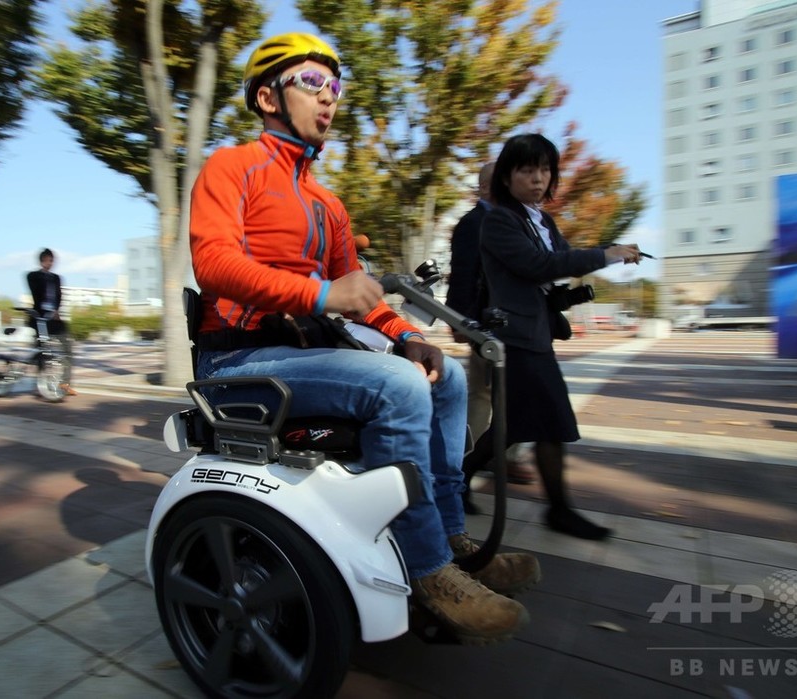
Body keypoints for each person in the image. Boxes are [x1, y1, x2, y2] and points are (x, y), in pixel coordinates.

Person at [189, 32, 540, 644]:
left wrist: (407, 336)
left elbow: (363, 297)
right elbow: (213, 266)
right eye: (312, 83)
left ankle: (450, 539)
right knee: (399, 387)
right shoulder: (232, 166)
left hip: (303, 352)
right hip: (238, 358)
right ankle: (430, 572)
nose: (330, 99)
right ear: (269, 96)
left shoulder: (328, 203)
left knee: (446, 375)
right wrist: (323, 296)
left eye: (336, 87)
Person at [468, 133, 643, 541]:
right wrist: (608, 254)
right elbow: (538, 265)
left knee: (512, 427)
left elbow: (561, 261)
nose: (538, 179)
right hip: (515, 337)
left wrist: (608, 249)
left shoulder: (541, 220)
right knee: (552, 421)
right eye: (527, 170)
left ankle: (458, 481)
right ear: (507, 177)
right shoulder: (498, 219)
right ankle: (559, 510)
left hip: (537, 332)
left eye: (545, 170)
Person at [445, 161, 535, 512]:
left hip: (516, 325)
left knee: (508, 398)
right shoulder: (473, 224)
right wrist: (459, 320)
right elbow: (462, 275)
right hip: (489, 325)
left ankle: (495, 458)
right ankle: (464, 470)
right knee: (484, 398)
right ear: (484, 188)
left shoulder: (512, 222)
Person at [26, 248, 76, 396]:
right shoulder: (33, 276)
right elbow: (35, 292)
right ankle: (40, 385)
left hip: (54, 317)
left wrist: (56, 310)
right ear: (42, 261)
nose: (51, 263)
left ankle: (65, 384)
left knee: (67, 348)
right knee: (42, 352)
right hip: (39, 318)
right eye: (48, 260)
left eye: (52, 260)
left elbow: (59, 296)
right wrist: (44, 276)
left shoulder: (56, 278)